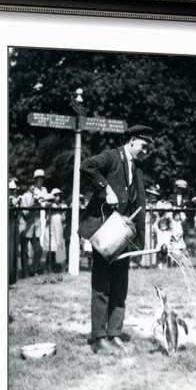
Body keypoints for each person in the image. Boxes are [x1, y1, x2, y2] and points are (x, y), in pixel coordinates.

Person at [79, 124, 153, 354]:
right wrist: (105, 188)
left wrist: (138, 240)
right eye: (143, 145)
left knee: (120, 286)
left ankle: (114, 333)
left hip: (124, 236)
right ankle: (99, 336)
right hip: (105, 233)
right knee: (101, 285)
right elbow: (87, 166)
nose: (145, 150)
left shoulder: (137, 166)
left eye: (148, 147)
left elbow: (138, 203)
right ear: (131, 141)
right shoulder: (111, 156)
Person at [20, 169, 49, 277]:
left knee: (38, 250)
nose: (40, 180)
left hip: (36, 226)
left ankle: (34, 269)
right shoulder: (25, 196)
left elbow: (45, 202)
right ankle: (25, 272)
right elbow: (25, 213)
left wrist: (46, 204)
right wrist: (34, 203)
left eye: (42, 178)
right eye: (38, 178)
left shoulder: (44, 190)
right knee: (25, 251)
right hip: (26, 227)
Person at [43, 188, 67, 272]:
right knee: (51, 247)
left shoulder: (62, 205)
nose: (58, 197)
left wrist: (62, 211)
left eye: (58, 195)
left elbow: (63, 218)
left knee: (59, 246)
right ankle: (48, 267)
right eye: (56, 195)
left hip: (59, 228)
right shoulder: (49, 204)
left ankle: (59, 267)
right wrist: (50, 201)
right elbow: (45, 206)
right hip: (51, 228)